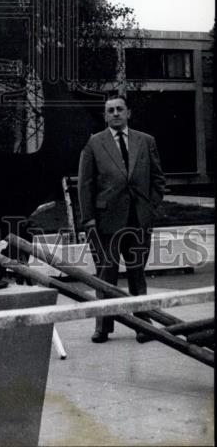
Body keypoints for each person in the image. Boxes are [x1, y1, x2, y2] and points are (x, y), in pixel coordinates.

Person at [77, 91, 166, 343]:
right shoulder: (94, 143)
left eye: (119, 109)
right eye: (110, 110)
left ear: (128, 113)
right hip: (106, 222)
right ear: (105, 116)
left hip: (138, 221)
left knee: (138, 274)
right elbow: (85, 184)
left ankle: (142, 326)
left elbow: (158, 180)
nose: (115, 113)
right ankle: (103, 327)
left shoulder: (146, 141)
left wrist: (150, 210)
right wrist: (89, 219)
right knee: (107, 276)